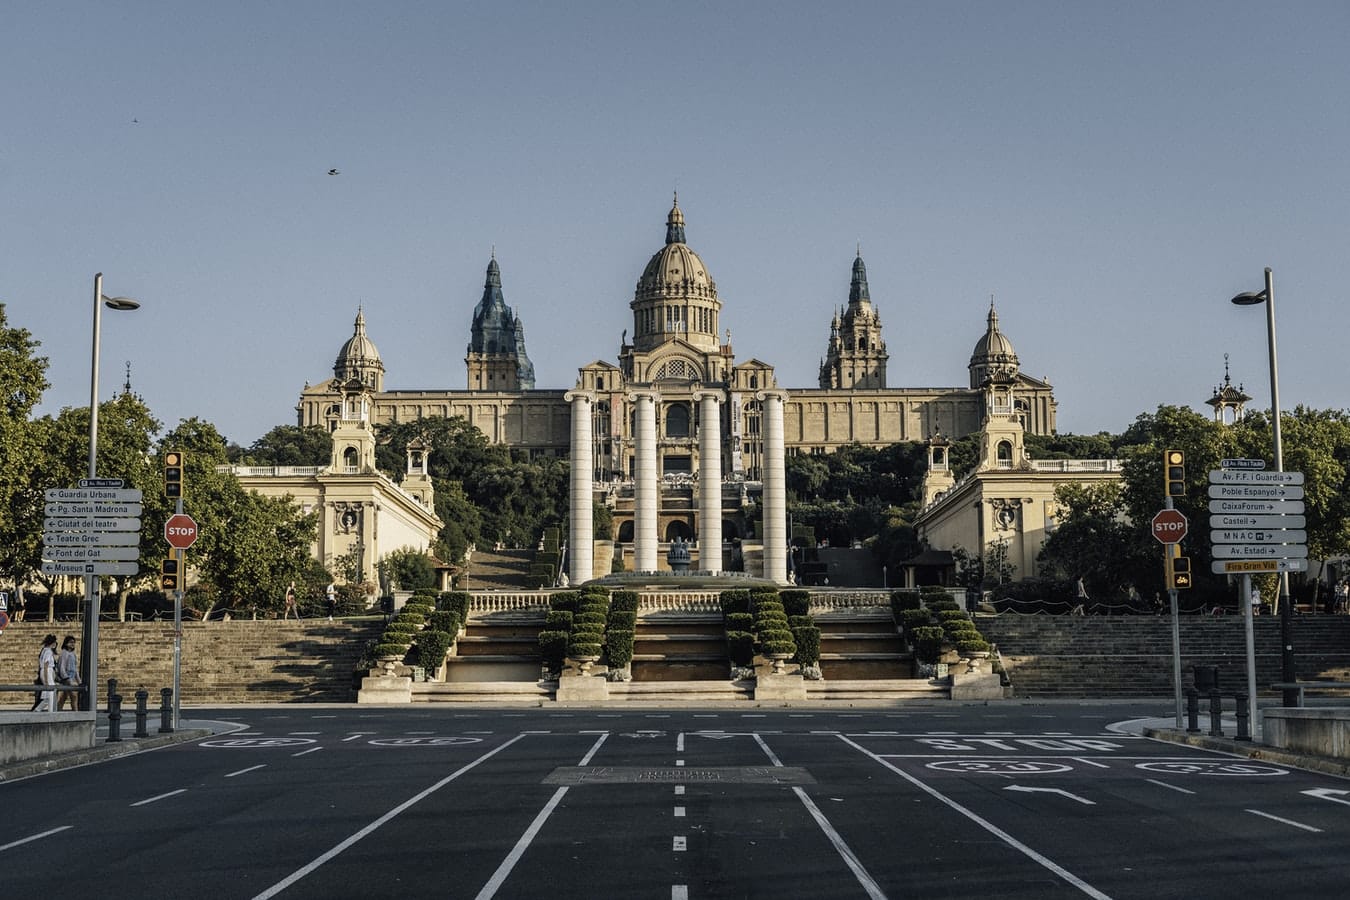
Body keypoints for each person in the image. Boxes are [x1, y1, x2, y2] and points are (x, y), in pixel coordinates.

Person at [33, 634, 58, 712]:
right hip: (47, 671)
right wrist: (46, 679)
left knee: (48, 695)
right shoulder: (48, 651)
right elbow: (46, 664)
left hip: (44, 671)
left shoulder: (44, 650)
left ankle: (37, 709)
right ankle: (50, 712)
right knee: (51, 692)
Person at [56, 635, 81, 710]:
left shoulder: (73, 654)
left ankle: (59, 712)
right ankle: (75, 712)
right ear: (66, 643)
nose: (72, 644)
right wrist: (66, 678)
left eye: (73, 642)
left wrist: (79, 680)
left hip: (72, 678)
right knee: (73, 696)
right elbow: (62, 667)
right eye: (70, 642)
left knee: (63, 698)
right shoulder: (64, 653)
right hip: (66, 679)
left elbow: (75, 668)